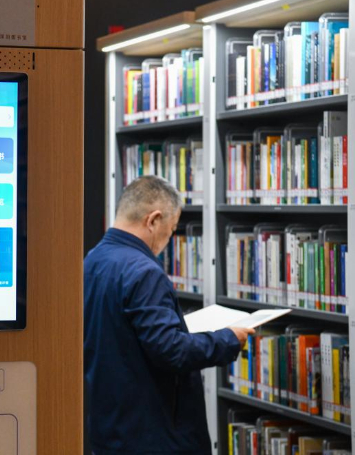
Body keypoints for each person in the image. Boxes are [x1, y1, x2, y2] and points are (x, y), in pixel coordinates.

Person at [84, 175, 254, 454]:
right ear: (153, 220)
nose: (169, 238)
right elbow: (170, 351)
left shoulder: (92, 259)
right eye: (172, 229)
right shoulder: (144, 272)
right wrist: (228, 339)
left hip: (110, 425)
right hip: (152, 434)